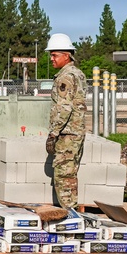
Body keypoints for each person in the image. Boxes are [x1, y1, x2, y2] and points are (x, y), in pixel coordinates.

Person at [45, 33, 88, 210]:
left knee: (63, 176)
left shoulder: (66, 77)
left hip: (67, 134)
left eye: (54, 55)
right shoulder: (78, 74)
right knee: (70, 174)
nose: (51, 59)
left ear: (66, 55)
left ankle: (70, 214)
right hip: (76, 132)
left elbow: (64, 108)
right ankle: (72, 212)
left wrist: (53, 133)